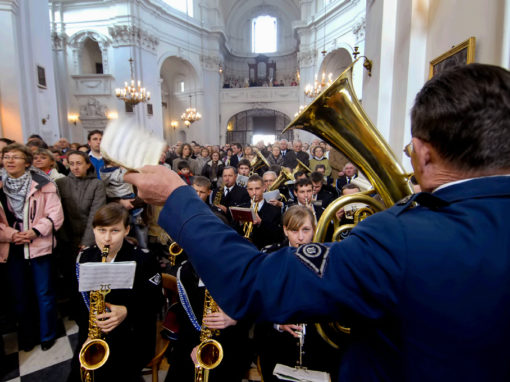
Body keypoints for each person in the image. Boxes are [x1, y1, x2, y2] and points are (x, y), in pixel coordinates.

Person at [126, 64, 510, 381]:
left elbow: (251, 282)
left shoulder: (397, 238)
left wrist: (177, 199)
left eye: (411, 152)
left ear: (425, 154)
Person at [71, 203, 161, 381]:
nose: (107, 238)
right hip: (94, 334)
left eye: (114, 231)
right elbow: (76, 304)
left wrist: (128, 310)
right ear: (93, 230)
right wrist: (89, 335)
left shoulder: (144, 259)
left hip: (133, 332)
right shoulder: (84, 258)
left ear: (127, 230)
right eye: (101, 230)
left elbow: (155, 302)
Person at [0, 143, 64, 351]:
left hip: (39, 244)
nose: (9, 161)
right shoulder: (1, 186)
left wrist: (35, 231)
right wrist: (11, 234)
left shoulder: (43, 184)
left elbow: (55, 214)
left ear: (27, 162)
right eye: (6, 157)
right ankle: (27, 336)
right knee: (20, 294)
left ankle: (47, 335)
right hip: (12, 245)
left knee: (43, 292)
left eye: (15, 157)